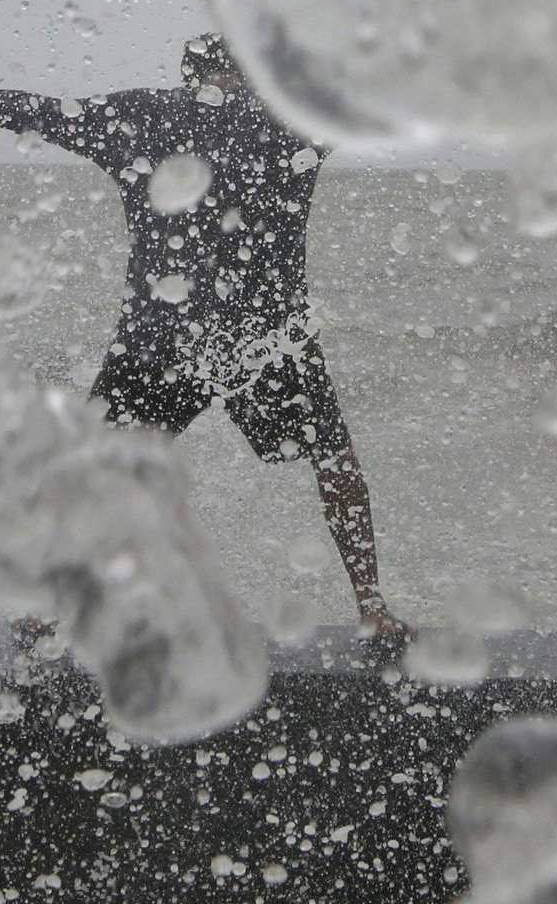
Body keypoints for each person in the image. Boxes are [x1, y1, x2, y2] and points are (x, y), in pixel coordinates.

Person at [0, 35, 401, 638]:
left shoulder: (142, 118)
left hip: (161, 340)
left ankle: (40, 614)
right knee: (334, 464)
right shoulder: (293, 123)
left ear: (191, 76)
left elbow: (41, 112)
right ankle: (371, 609)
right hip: (264, 340)